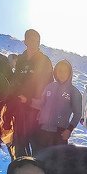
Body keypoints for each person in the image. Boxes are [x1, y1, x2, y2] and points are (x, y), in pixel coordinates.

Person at [7, 29, 53, 157]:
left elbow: (49, 85)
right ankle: (23, 169)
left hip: (35, 108)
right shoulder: (21, 59)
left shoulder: (44, 60)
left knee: (37, 144)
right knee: (20, 141)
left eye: (36, 40)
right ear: (25, 41)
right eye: (31, 40)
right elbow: (16, 80)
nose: (33, 43)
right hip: (20, 107)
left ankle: (38, 172)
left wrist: (41, 104)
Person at [33, 60, 83, 154]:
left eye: (65, 71)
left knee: (56, 164)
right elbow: (41, 104)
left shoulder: (74, 92)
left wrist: (69, 130)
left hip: (59, 134)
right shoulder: (50, 86)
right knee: (39, 160)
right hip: (42, 131)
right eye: (59, 71)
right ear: (55, 72)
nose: (62, 73)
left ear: (69, 73)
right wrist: (27, 101)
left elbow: (78, 113)